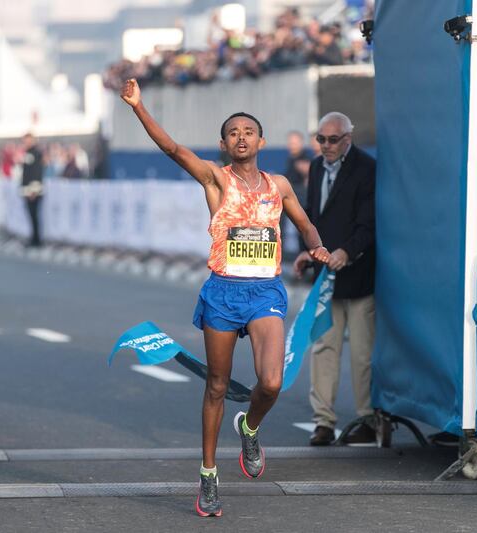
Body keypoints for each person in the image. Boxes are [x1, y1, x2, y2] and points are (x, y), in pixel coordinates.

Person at [120, 78, 330, 517]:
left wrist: (315, 244)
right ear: (223, 142)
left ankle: (249, 426)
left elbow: (305, 222)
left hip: (264, 292)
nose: (241, 137)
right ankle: (209, 475)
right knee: (216, 385)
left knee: (270, 382)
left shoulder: (280, 185)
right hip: (222, 291)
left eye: (248, 131)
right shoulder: (215, 179)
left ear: (261, 141)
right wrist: (139, 106)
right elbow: (174, 150)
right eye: (233, 132)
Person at [293, 112, 376, 446]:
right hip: (325, 277)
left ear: (348, 138)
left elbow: (368, 224)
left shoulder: (367, 169)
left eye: (332, 140)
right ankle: (323, 421)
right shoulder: (315, 168)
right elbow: (311, 218)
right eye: (321, 139)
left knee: (362, 354)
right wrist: (306, 251)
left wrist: (347, 251)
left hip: (359, 277)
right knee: (323, 348)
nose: (325, 146)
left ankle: (368, 419)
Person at [20, 133, 44, 246]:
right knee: (31, 216)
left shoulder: (35, 153)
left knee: (34, 215)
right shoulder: (28, 153)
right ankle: (33, 238)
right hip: (27, 191)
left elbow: (36, 173)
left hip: (33, 191)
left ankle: (36, 240)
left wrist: (33, 191)